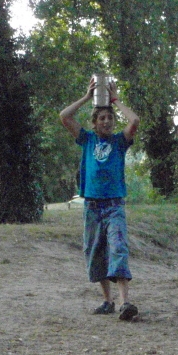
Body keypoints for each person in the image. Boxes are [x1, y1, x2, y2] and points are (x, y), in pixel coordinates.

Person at [60, 76, 140, 321]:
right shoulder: (87, 140)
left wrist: (115, 100)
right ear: (94, 123)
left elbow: (135, 121)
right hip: (92, 206)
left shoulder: (119, 142)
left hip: (114, 205)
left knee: (118, 248)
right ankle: (108, 301)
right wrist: (87, 97)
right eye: (102, 118)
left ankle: (125, 302)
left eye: (110, 118)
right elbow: (64, 116)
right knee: (96, 251)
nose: (107, 121)